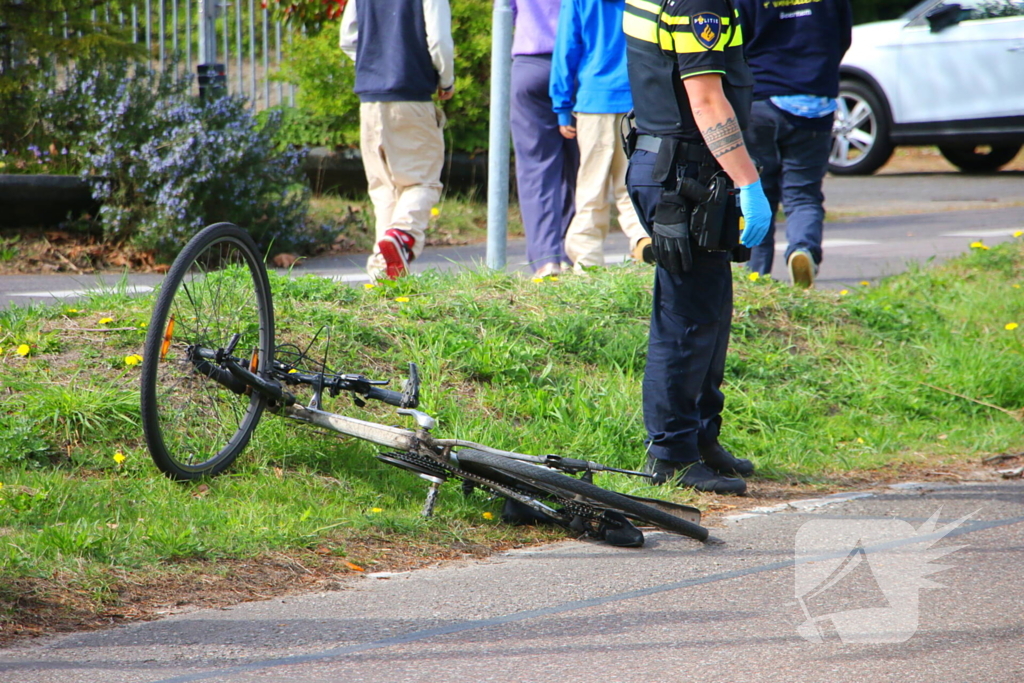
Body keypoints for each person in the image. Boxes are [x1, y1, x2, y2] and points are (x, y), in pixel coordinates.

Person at [623, 0, 772, 494]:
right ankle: (672, 455)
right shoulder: (697, 2)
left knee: (709, 312)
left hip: (677, 167)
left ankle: (702, 438)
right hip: (682, 177)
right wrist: (748, 181)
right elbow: (706, 100)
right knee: (686, 319)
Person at [736, 0, 853, 288]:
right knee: (803, 194)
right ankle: (803, 250)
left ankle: (754, 274)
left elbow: (735, 43)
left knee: (757, 191)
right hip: (814, 100)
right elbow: (843, 37)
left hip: (761, 100)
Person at [339, 0, 455, 281]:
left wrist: (374, 64)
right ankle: (402, 236)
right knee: (422, 180)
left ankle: (384, 274)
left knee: (385, 189)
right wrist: (446, 80)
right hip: (411, 94)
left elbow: (347, 37)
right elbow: (438, 39)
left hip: (369, 98)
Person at [549, 0, 651, 270]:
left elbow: (567, 48)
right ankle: (643, 240)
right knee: (634, 183)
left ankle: (588, 262)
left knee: (592, 187)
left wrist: (562, 106)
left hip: (595, 101)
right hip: (638, 102)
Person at [510, 0, 580, 277]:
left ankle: (545, 259)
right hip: (578, 65)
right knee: (579, 168)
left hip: (530, 62)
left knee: (536, 169)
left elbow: (507, 13)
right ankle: (571, 253)